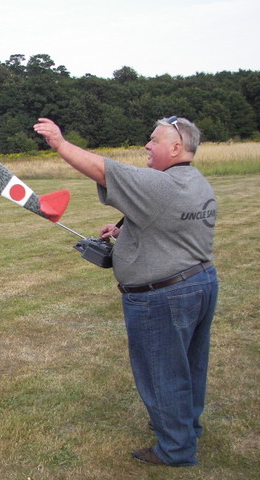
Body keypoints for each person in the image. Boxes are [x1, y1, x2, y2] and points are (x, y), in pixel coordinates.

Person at [33, 116, 218, 466]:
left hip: (162, 297)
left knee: (162, 373)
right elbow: (171, 226)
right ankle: (187, 427)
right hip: (199, 283)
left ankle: (176, 449)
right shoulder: (196, 182)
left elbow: (102, 169)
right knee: (190, 366)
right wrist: (125, 232)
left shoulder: (160, 184)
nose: (147, 145)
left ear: (176, 148)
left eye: (154, 140)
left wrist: (59, 143)